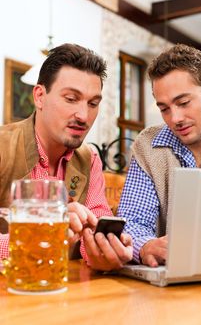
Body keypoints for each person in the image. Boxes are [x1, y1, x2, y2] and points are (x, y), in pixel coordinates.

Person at [0, 43, 133, 271]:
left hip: (65, 293)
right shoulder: (3, 147)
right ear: (40, 96)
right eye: (71, 99)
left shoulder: (89, 159)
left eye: (93, 104)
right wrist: (42, 236)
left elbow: (94, 229)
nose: (83, 116)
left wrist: (101, 251)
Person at [117, 43, 201, 267]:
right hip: (170, 286)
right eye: (164, 108)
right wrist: (146, 246)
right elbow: (133, 221)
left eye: (183, 103)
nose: (175, 118)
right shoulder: (147, 146)